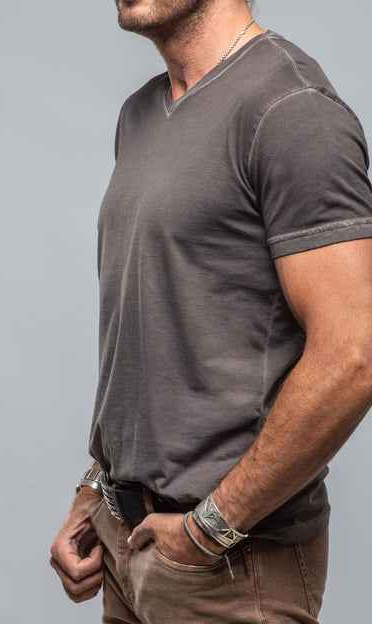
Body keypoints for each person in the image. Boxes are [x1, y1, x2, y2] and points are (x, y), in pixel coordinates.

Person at [50, 1, 372, 622]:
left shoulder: (291, 108)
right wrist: (95, 491)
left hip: (230, 568)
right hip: (125, 546)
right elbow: (161, 334)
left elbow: (353, 356)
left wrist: (210, 529)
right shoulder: (140, 113)